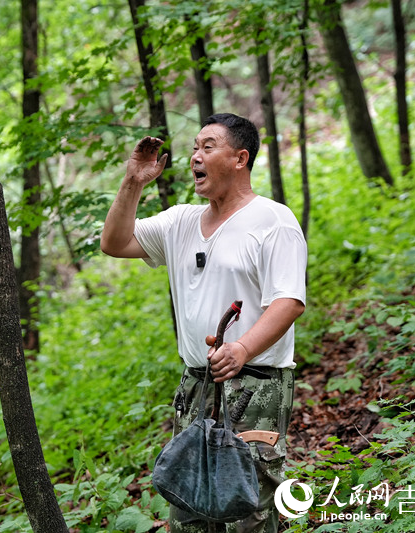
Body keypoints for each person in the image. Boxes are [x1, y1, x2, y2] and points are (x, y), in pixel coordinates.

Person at [100, 113, 307, 533]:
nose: (195, 155)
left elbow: (289, 301)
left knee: (248, 508)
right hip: (196, 383)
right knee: (190, 501)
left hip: (257, 384)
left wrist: (243, 348)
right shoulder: (179, 221)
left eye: (207, 146)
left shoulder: (274, 221)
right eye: (194, 147)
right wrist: (134, 182)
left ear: (239, 158)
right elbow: (115, 242)